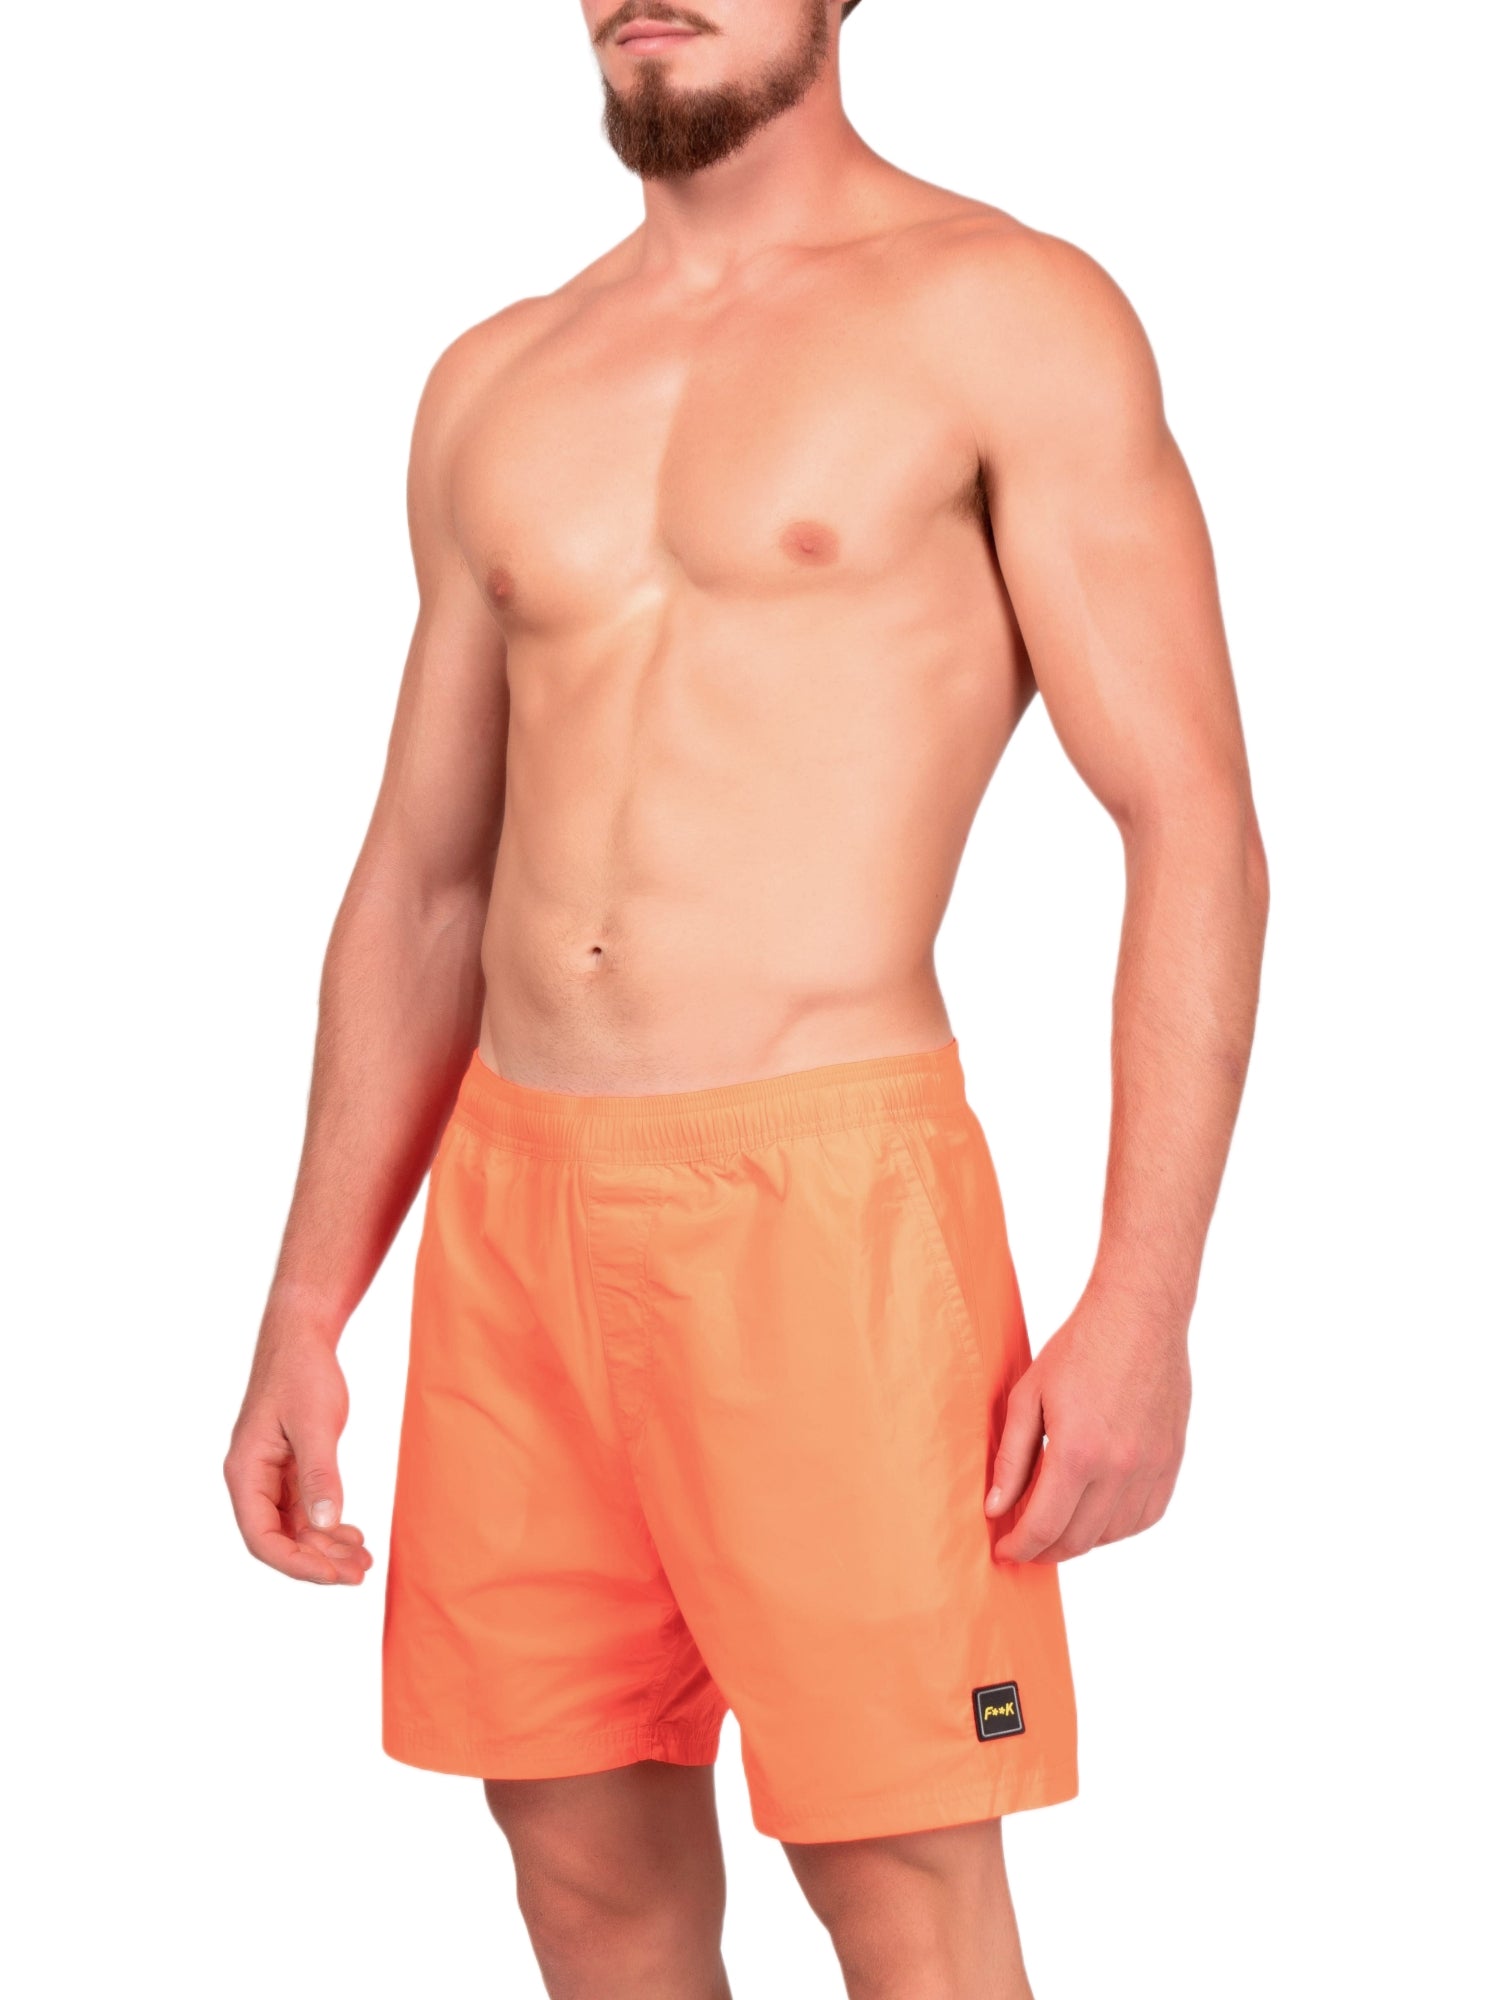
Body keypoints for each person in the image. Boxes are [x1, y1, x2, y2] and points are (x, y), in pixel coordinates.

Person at [225, 3, 1269, 1994]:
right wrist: (304, 1303)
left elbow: (1194, 823)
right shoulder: (497, 377)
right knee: (579, 1863)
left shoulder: (1003, 316)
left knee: (898, 1878)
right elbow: (424, 881)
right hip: (516, 1209)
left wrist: (1143, 1305)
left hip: (824, 1202)